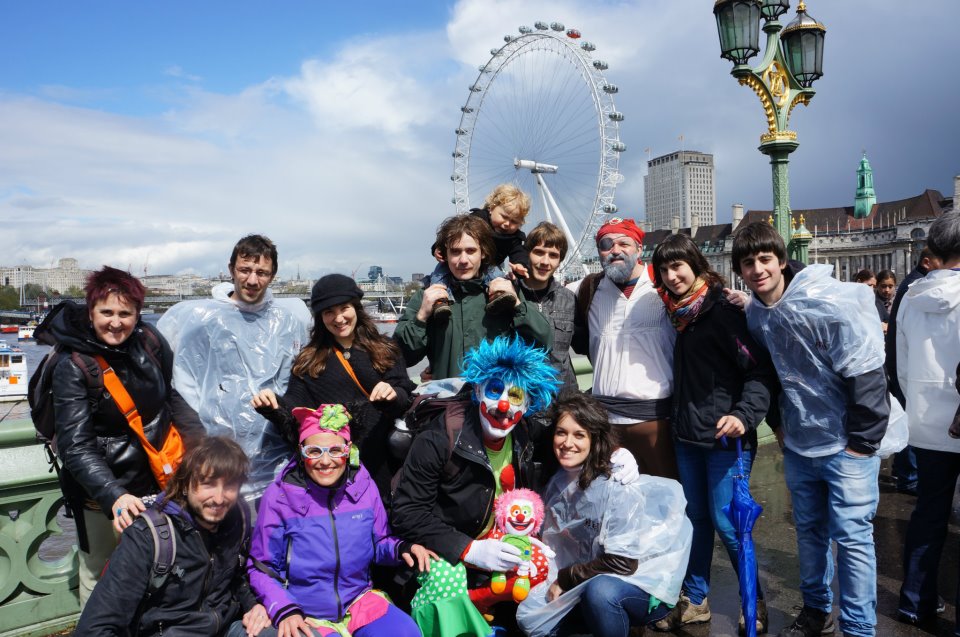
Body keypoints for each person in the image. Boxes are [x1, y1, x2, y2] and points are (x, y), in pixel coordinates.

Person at [734, 222, 889, 637]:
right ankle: (817, 610)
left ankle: (858, 627)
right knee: (809, 532)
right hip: (801, 443)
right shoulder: (756, 313)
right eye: (747, 263)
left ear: (782, 260)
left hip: (846, 444)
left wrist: (863, 443)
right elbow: (770, 373)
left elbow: (866, 371)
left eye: (765, 259)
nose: (757, 269)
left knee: (854, 538)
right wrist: (780, 427)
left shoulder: (824, 303)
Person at [34, 265, 203, 606]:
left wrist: (202, 448)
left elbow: (169, 399)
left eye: (125, 313)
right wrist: (114, 495)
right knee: (100, 577)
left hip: (158, 481)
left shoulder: (150, 343)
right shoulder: (74, 364)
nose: (116, 322)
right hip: (103, 495)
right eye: (106, 312)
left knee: (161, 569)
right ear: (91, 310)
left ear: (138, 314)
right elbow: (75, 444)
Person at [390, 336, 562, 634]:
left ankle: (485, 606)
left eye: (517, 395)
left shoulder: (524, 433)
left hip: (503, 540)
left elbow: (570, 442)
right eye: (495, 390)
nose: (504, 405)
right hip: (447, 546)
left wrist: (610, 454)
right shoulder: (439, 438)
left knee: (540, 565)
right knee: (445, 582)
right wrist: (468, 549)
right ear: (478, 390)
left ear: (529, 404)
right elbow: (407, 512)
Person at [650, 234, 776, 634]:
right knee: (696, 520)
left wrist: (744, 415)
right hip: (687, 435)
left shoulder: (721, 311)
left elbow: (758, 371)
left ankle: (754, 604)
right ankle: (696, 599)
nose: (672, 277)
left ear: (696, 265)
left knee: (729, 524)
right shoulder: (679, 314)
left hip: (725, 439)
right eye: (664, 270)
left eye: (678, 267)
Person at [516, 392, 692, 637]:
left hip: (637, 582)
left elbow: (624, 562)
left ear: (594, 439)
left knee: (601, 594)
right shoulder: (556, 477)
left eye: (579, 435)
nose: (568, 443)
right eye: (561, 432)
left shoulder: (616, 483)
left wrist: (566, 579)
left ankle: (624, 623)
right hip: (588, 576)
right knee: (531, 617)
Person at [248, 404, 431, 637]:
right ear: (301, 451)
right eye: (314, 451)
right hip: (305, 612)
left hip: (358, 602)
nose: (326, 461)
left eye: (335, 450)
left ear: (348, 450)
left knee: (406, 633)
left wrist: (402, 548)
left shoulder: (364, 485)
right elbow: (261, 568)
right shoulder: (279, 497)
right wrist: (285, 609)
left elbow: (379, 542)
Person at [158, 234, 311, 499]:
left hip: (276, 458)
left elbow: (300, 380)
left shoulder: (289, 319)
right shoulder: (199, 319)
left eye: (262, 272)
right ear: (231, 270)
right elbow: (182, 386)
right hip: (217, 458)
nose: (252, 280)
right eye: (245, 270)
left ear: (273, 276)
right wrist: (199, 444)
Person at [75, 436, 273, 637]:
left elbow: (236, 577)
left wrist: (253, 605)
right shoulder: (149, 537)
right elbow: (94, 629)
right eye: (208, 484)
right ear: (185, 485)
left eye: (230, 486)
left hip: (225, 627)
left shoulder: (237, 518)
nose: (219, 498)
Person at [250, 273, 415, 497]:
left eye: (344, 308)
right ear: (320, 317)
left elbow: (405, 398)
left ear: (356, 308)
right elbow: (295, 413)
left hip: (385, 466)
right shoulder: (309, 361)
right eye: (329, 312)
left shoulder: (386, 349)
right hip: (335, 470)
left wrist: (393, 393)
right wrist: (272, 406)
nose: (338, 318)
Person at [571, 216, 678, 479]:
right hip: (607, 422)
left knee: (668, 500)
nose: (615, 250)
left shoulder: (663, 282)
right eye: (606, 244)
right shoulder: (587, 290)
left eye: (623, 243)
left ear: (639, 248)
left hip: (657, 419)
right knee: (617, 504)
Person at [894, 211, 960, 631]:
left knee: (929, 514)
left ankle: (914, 601)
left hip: (924, 420)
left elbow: (898, 363)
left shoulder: (910, 297)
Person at [396, 214, 553, 381]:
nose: (463, 260)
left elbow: (544, 344)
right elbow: (401, 358)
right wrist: (421, 317)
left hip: (496, 401)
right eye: (455, 252)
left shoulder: (505, 293)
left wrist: (518, 305)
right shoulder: (427, 297)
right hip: (448, 403)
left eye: (470, 251)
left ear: (483, 252)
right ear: (444, 255)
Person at [885, 246, 943, 496]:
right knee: (910, 421)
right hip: (904, 365)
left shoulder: (912, 284)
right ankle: (909, 477)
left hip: (900, 362)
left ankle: (903, 471)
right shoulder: (917, 287)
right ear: (928, 263)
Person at [428, 184, 532, 317]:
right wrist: (438, 248)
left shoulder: (514, 237)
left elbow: (519, 252)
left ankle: (498, 295)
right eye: (504, 216)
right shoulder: (477, 219)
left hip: (489, 265)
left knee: (497, 276)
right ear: (491, 208)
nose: (507, 224)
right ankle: (440, 300)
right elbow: (453, 234)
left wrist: (521, 265)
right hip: (456, 263)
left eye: (514, 221)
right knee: (440, 273)